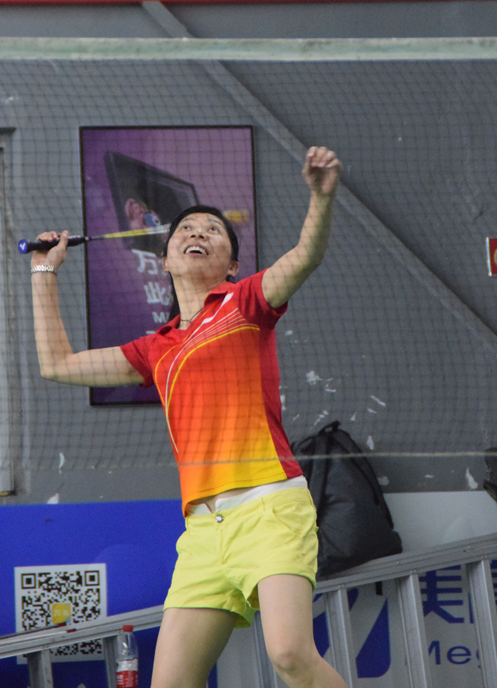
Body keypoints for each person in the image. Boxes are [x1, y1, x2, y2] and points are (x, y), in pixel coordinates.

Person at [31, 146, 346, 688]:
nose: (198, 232)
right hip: (202, 532)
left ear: (232, 265)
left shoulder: (246, 304)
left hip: (269, 509)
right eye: (186, 229)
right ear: (165, 259)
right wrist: (43, 271)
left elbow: (305, 256)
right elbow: (57, 364)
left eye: (213, 230)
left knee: (291, 654)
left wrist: (321, 198)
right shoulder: (155, 348)